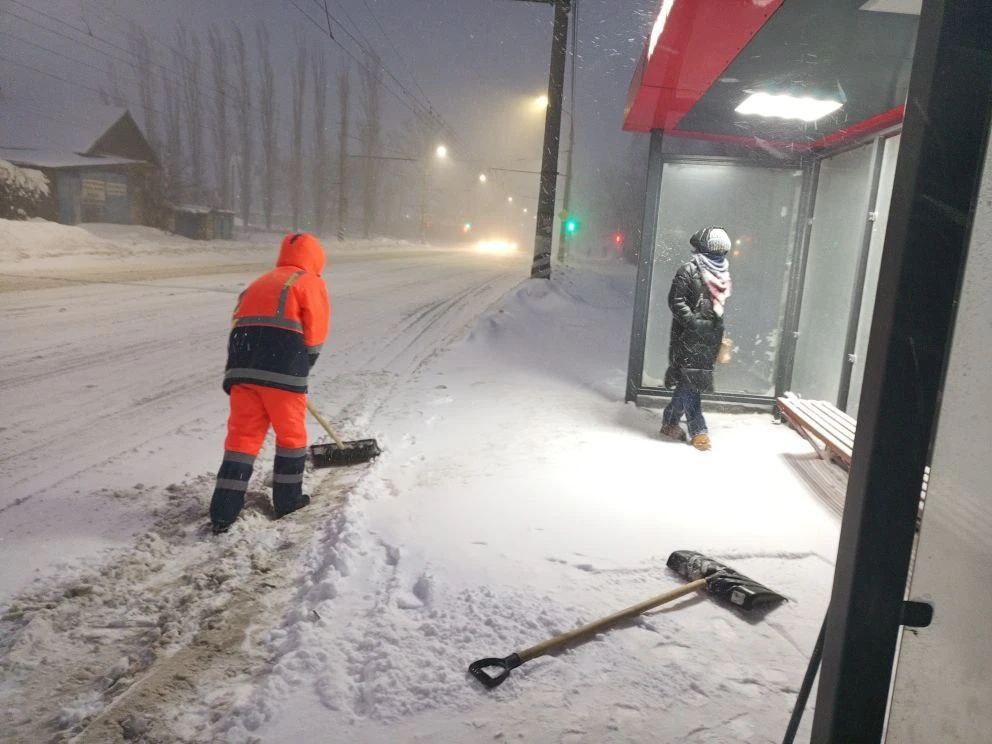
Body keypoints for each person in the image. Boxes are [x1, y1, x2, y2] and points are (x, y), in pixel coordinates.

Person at [209, 232, 330, 534]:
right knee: (291, 437)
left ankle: (223, 511)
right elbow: (315, 331)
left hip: (242, 369)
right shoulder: (308, 282)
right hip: (283, 370)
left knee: (241, 438)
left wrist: (249, 366)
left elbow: (237, 324)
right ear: (316, 258)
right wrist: (302, 365)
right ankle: (288, 501)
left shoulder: (259, 282)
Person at [659, 226, 732, 451]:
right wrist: (693, 322)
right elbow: (676, 300)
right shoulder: (688, 270)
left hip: (709, 337)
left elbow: (717, 307)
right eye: (716, 247)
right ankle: (699, 430)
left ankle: (670, 422)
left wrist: (717, 330)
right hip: (688, 337)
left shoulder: (721, 273)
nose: (719, 252)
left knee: (690, 382)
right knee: (691, 382)